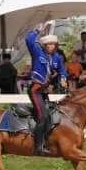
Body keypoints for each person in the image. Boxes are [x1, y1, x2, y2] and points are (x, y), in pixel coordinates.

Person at [26, 24, 67, 155]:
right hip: (35, 90)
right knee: (42, 116)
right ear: (45, 45)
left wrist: (63, 77)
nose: (52, 46)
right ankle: (37, 147)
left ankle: (45, 142)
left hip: (43, 91)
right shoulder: (37, 51)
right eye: (50, 44)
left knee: (50, 115)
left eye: (54, 44)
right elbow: (28, 40)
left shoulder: (56, 57)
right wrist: (37, 30)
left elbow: (61, 69)